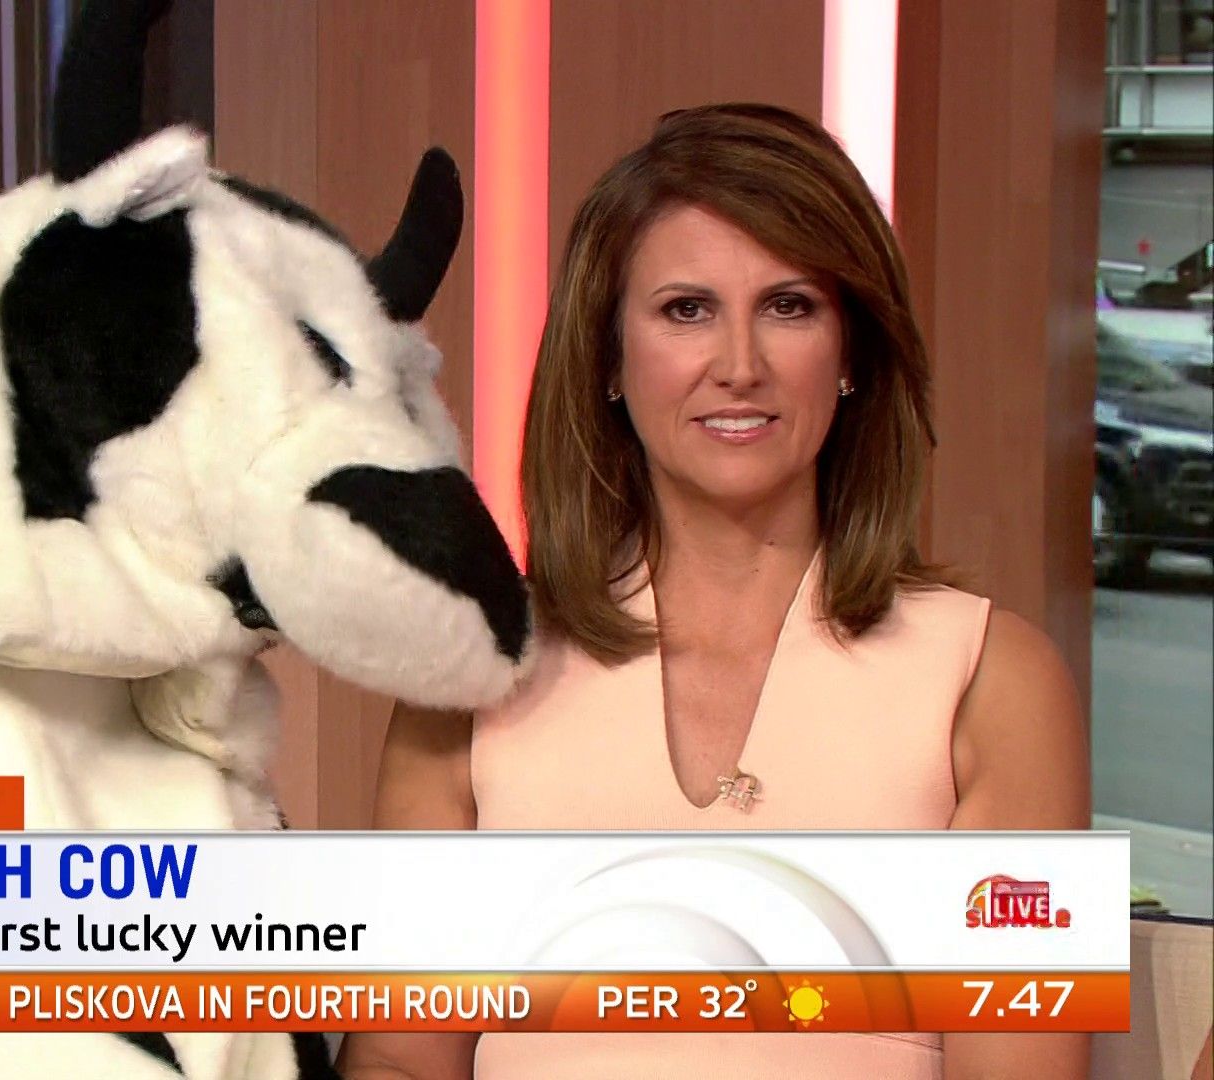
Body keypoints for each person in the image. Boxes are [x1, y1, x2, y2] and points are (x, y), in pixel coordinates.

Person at [336, 104, 1090, 1079]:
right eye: (686, 310)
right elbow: (400, 1059)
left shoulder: (994, 683)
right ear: (609, 359)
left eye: (790, 307)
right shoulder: (475, 672)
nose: (740, 367)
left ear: (852, 354)